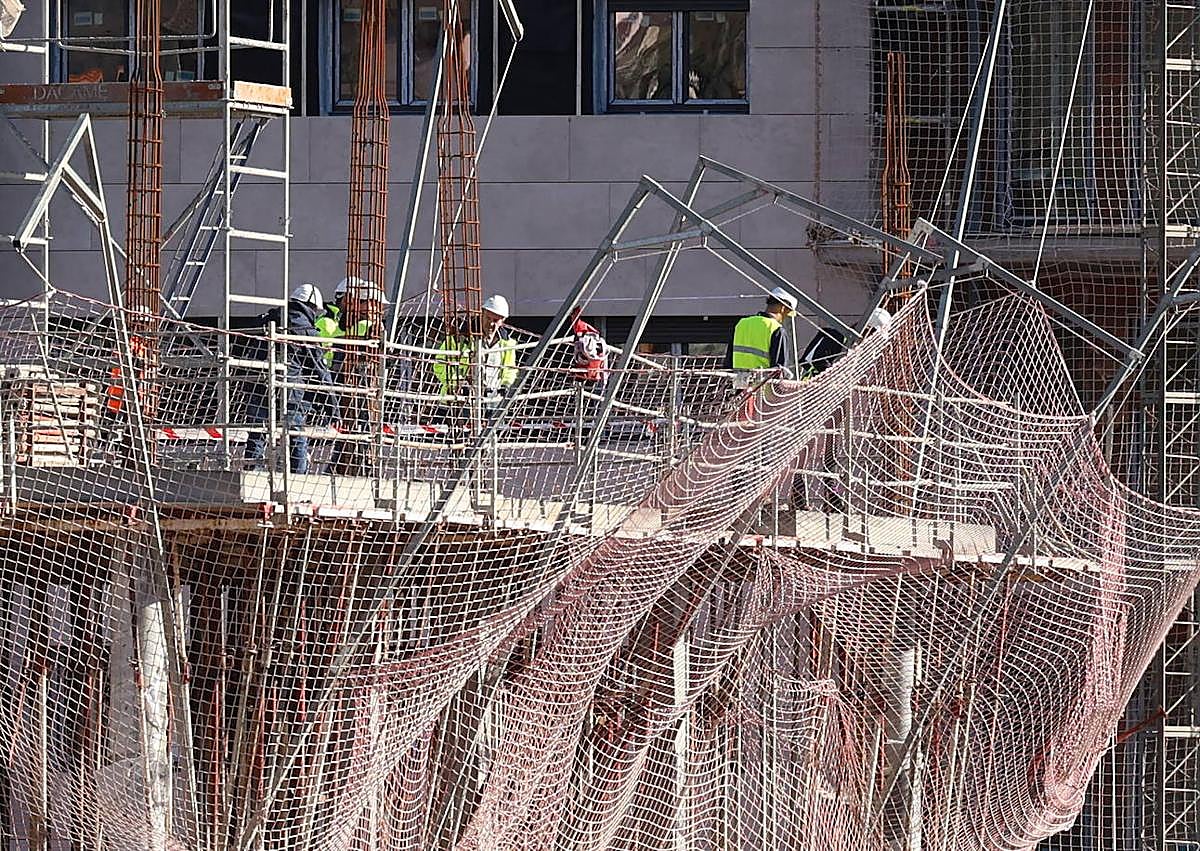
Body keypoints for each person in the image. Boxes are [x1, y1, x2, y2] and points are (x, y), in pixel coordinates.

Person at [245, 282, 337, 473]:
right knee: (296, 436)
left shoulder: (267, 319)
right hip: (290, 393)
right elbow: (320, 370)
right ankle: (298, 477)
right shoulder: (306, 330)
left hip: (260, 386)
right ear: (311, 307)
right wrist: (332, 407)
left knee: (258, 432)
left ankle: (251, 472)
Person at [433, 294, 518, 399]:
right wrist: (457, 383)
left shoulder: (507, 343)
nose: (491, 323)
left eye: (495, 320)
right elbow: (439, 364)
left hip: (492, 401)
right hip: (458, 400)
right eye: (488, 318)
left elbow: (510, 369)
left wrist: (506, 385)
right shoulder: (460, 337)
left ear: (502, 321)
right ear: (482, 313)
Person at [726, 286, 798, 376]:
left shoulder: (741, 324)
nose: (785, 317)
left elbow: (728, 361)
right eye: (787, 313)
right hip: (763, 387)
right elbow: (779, 370)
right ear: (783, 308)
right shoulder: (776, 329)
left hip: (739, 385)